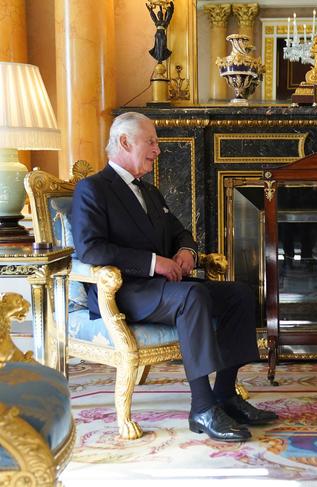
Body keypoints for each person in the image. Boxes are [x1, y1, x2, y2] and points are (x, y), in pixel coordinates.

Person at [71, 112, 277, 443]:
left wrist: (186, 253)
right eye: (151, 142)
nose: (158, 150)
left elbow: (180, 232)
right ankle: (202, 407)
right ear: (125, 142)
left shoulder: (149, 192)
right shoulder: (92, 189)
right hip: (125, 291)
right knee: (192, 297)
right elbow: (92, 250)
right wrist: (154, 263)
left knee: (239, 293)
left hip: (162, 289)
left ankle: (226, 394)